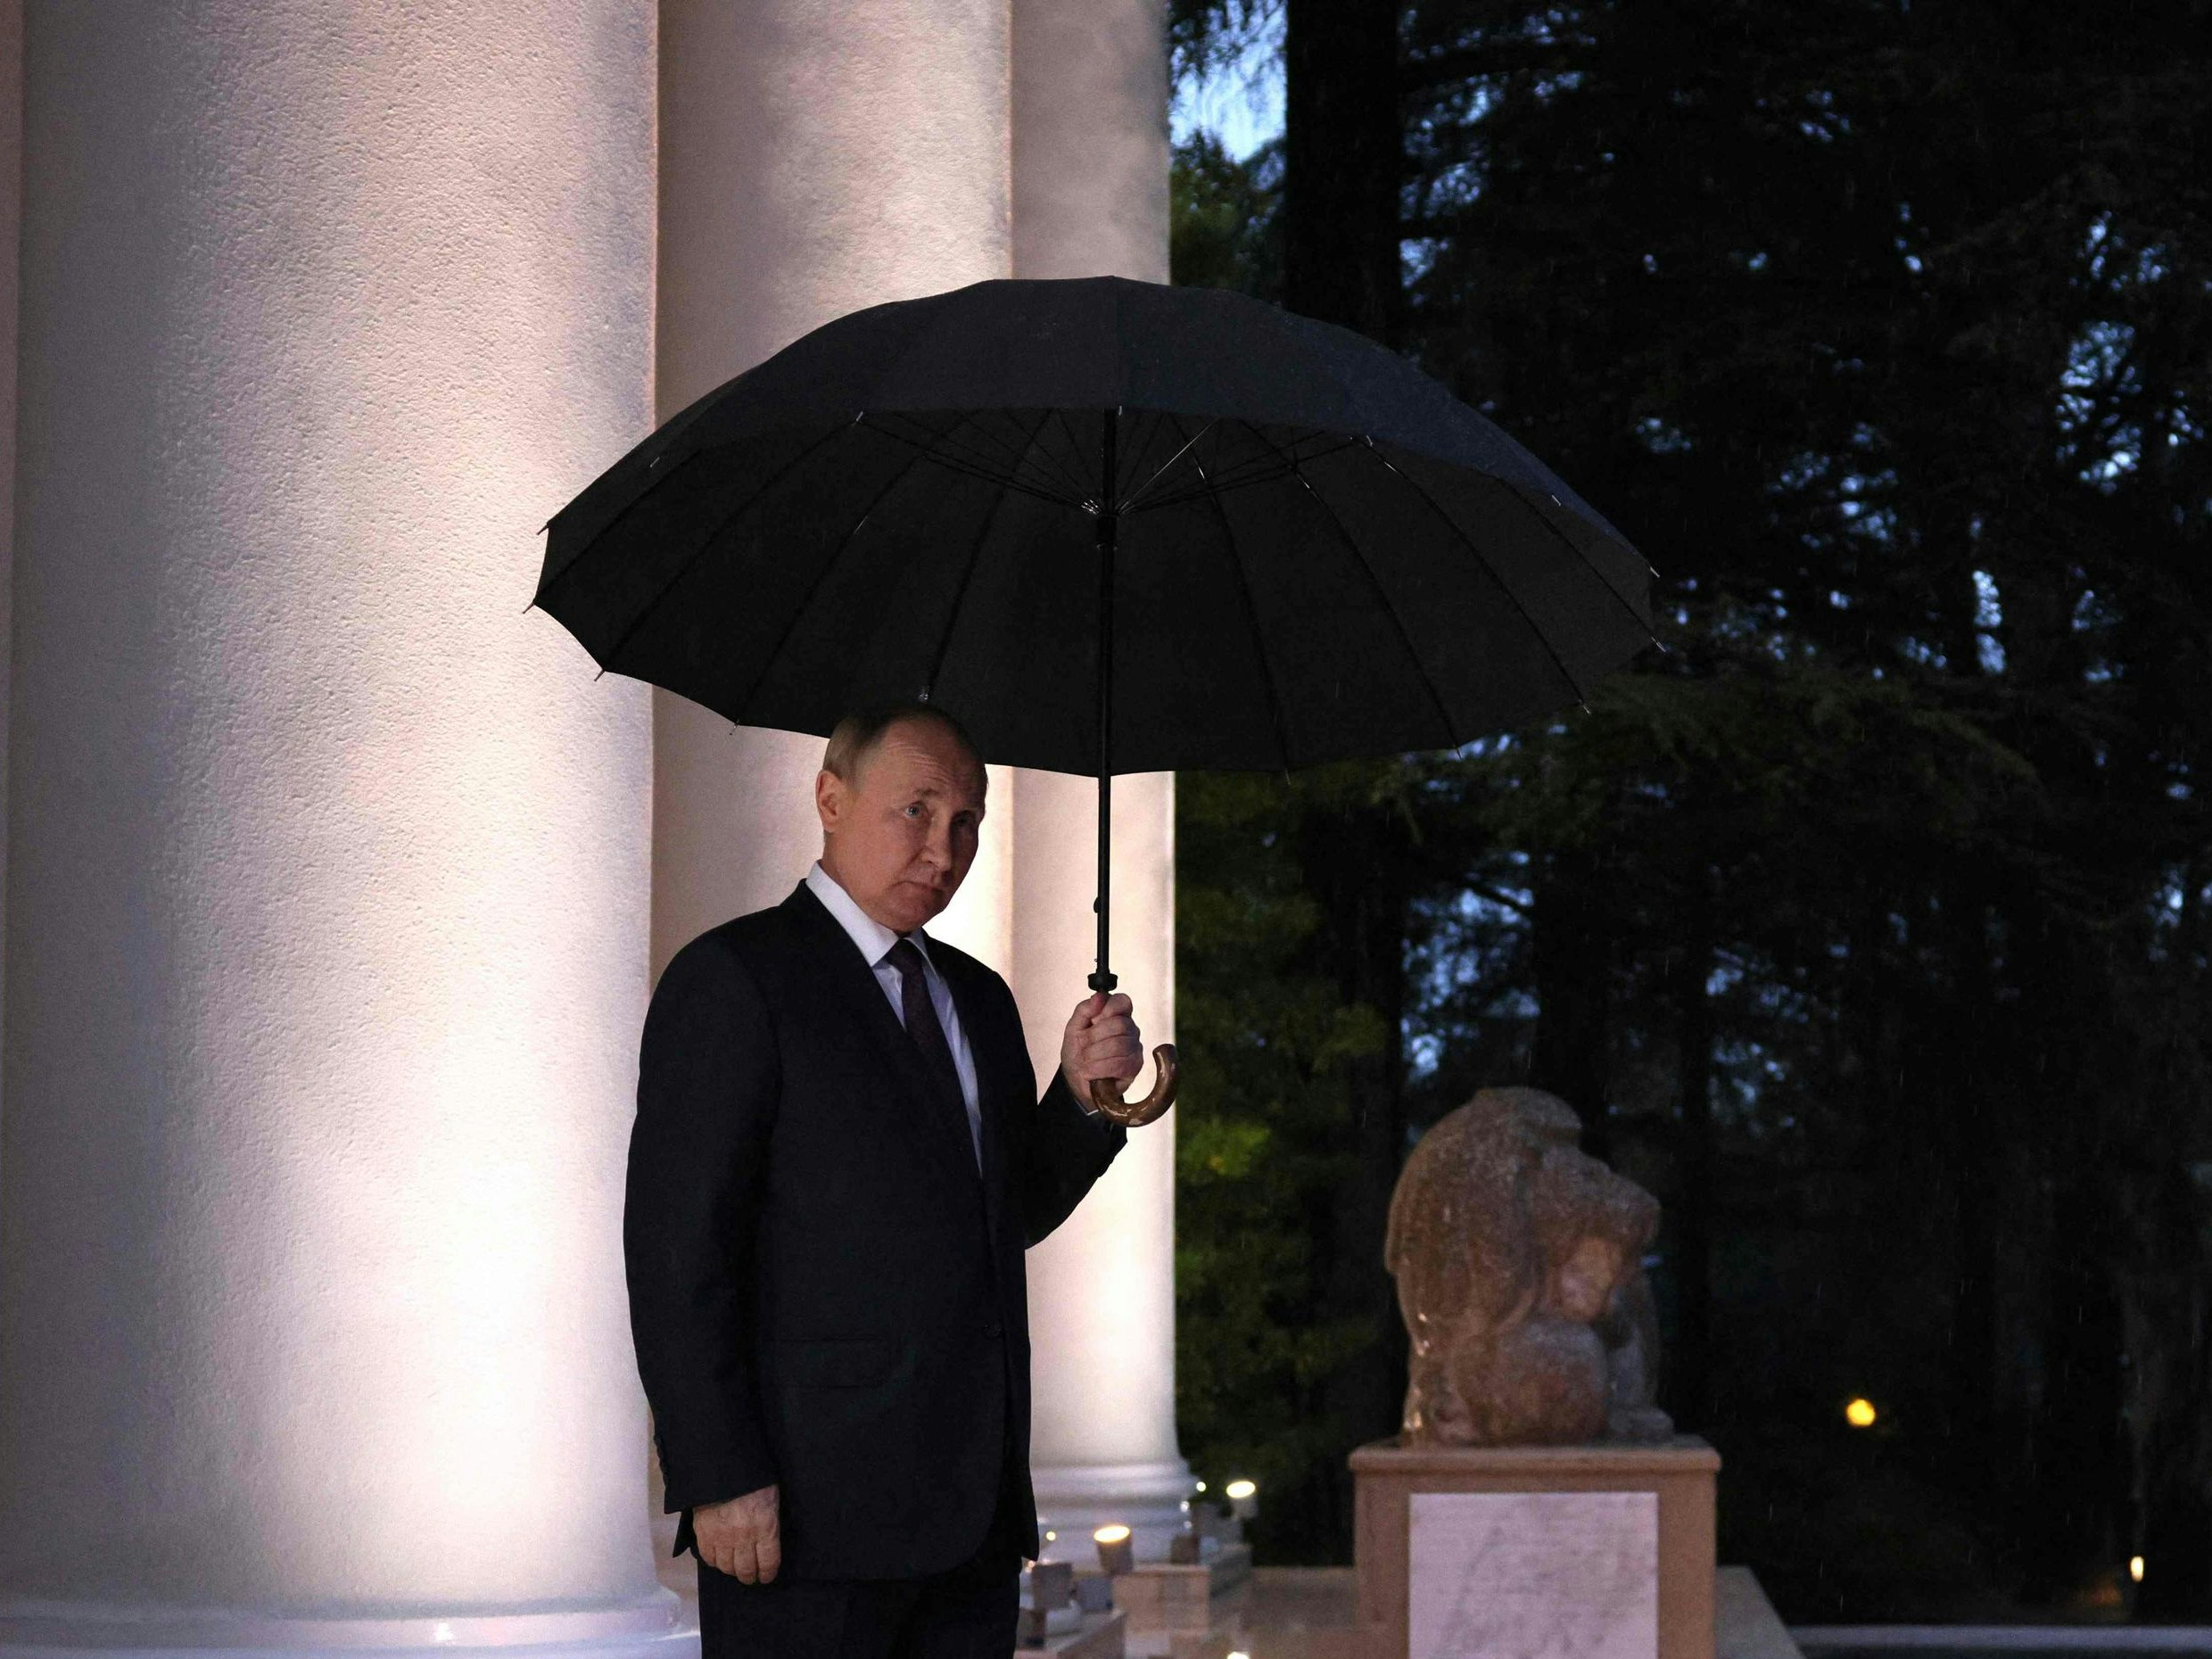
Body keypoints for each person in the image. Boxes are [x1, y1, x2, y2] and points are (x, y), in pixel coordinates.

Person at [623, 698, 1150, 1659]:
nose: (942, 848)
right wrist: (716, 1472)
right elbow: (677, 1253)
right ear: (830, 798)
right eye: (916, 809)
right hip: (800, 1521)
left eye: (966, 822)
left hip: (971, 1521)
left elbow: (999, 1218)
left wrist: (1077, 1100)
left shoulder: (980, 1001)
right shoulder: (735, 979)